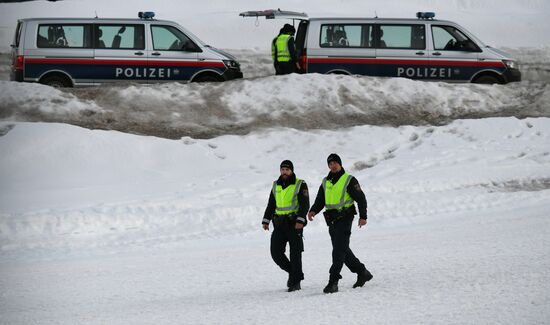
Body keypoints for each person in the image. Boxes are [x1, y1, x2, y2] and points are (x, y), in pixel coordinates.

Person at [307, 153, 373, 293]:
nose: (333, 165)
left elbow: (361, 199)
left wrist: (363, 216)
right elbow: (320, 200)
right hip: (332, 220)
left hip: (345, 217)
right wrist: (313, 210)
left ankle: (333, 282)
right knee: (343, 250)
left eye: (335, 163)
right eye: (330, 164)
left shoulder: (348, 180)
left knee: (338, 251)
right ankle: (362, 272)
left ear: (340, 164)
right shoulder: (326, 181)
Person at [262, 160, 309, 292]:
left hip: (294, 223)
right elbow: (271, 204)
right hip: (279, 224)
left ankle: (296, 281)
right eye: (282, 169)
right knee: (275, 252)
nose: (284, 172)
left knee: (295, 253)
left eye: (287, 170)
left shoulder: (300, 184)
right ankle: (294, 273)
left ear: (292, 171)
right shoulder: (275, 185)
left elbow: (305, 204)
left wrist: (300, 219)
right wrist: (266, 220)